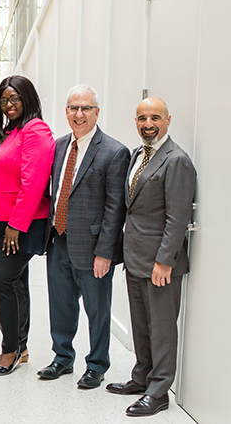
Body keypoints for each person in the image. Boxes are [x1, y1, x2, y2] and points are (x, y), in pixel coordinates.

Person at [106, 97, 196, 417]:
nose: (148, 124)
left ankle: (159, 391)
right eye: (142, 118)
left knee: (161, 328)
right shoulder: (136, 156)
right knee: (141, 325)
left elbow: (178, 218)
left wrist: (165, 260)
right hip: (135, 257)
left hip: (160, 263)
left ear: (168, 120)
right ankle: (142, 377)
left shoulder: (177, 160)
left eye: (155, 117)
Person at [36, 85, 129, 388]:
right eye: (73, 108)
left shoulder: (114, 152)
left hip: (93, 249)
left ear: (96, 112)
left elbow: (116, 209)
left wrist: (106, 252)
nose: (79, 114)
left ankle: (97, 365)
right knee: (60, 305)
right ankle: (62, 359)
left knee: (97, 310)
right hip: (58, 241)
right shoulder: (60, 146)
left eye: (85, 108)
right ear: (66, 112)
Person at [0, 75, 54, 376]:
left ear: (28, 99)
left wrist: (16, 225)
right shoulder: (6, 132)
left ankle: (10, 349)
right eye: (3, 100)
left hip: (19, 223)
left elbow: (34, 182)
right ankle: (22, 346)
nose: (8, 105)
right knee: (17, 282)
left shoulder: (36, 130)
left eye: (15, 98)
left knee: (1, 281)